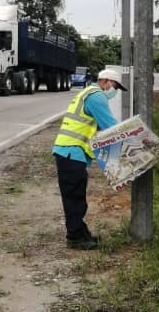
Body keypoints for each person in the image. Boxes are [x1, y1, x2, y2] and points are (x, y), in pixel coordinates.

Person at [52, 67, 126, 249]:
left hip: (71, 152)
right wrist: (138, 144)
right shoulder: (97, 96)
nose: (115, 91)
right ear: (106, 82)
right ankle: (75, 237)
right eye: (115, 87)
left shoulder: (88, 92)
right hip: (71, 152)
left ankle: (81, 232)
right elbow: (111, 128)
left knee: (76, 196)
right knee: (74, 198)